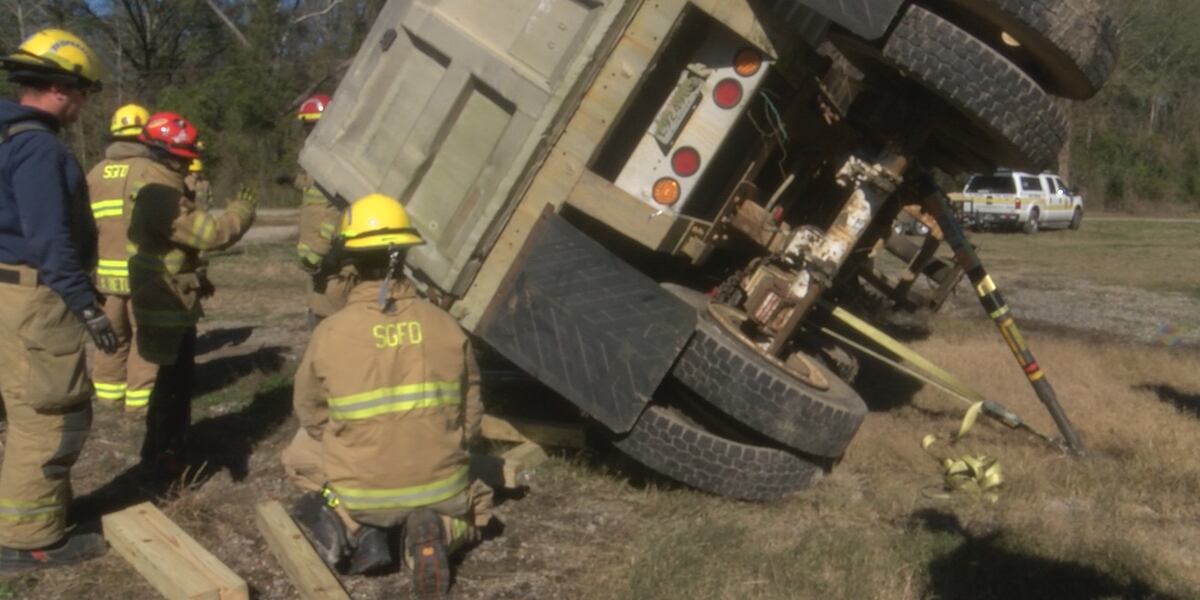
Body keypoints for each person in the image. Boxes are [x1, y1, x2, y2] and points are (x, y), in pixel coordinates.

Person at [283, 194, 492, 598]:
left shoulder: (330, 332)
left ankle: (354, 523)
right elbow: (471, 412)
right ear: (407, 256)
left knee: (297, 454)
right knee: (476, 501)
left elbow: (308, 410)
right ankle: (442, 530)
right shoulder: (446, 326)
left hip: (364, 494)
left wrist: (349, 444)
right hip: (441, 488)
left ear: (351, 262)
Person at [0, 28, 116, 572]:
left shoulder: (6, 136)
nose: (83, 104)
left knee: (21, 407)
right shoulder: (38, 147)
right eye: (83, 93)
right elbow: (49, 237)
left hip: (9, 291)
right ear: (60, 88)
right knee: (50, 416)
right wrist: (85, 303)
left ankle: (37, 513)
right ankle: (26, 540)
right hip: (35, 299)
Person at [127, 112, 257, 472]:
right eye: (185, 158)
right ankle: (166, 456)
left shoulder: (159, 183)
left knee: (173, 380)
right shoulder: (159, 194)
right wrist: (242, 211)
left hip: (169, 293)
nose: (189, 165)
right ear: (170, 156)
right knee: (173, 383)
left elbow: (177, 246)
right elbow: (209, 234)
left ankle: (162, 447)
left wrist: (197, 275)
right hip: (165, 302)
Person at [86, 103, 160, 415]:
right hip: (144, 273)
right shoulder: (152, 171)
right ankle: (140, 404)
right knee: (146, 338)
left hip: (105, 278)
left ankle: (107, 398)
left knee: (109, 337)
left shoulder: (95, 173)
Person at [293, 93, 353, 328]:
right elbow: (314, 192)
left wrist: (319, 250)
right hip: (317, 262)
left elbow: (338, 210)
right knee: (318, 314)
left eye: (313, 126)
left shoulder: (335, 161)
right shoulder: (317, 160)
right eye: (306, 127)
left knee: (329, 324)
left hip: (330, 262)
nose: (309, 133)